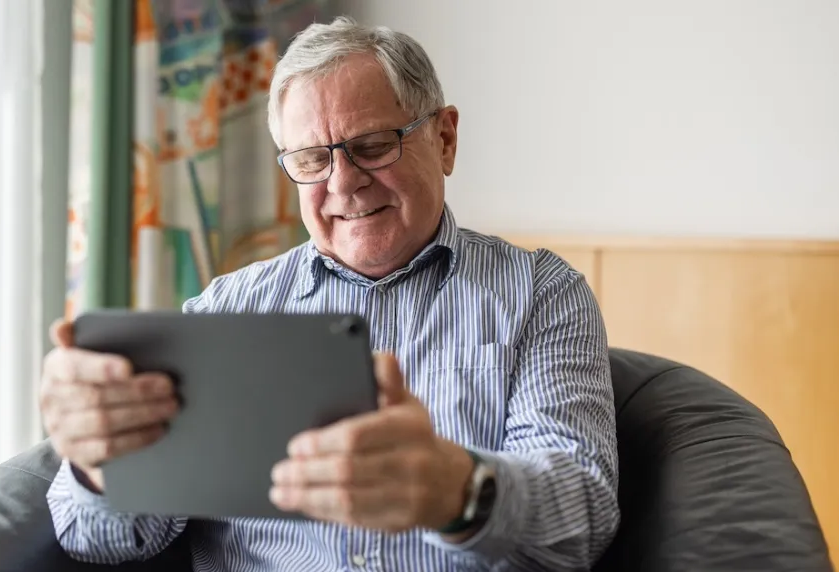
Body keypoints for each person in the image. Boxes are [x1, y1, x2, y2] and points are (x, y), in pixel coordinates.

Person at [39, 16, 619, 571]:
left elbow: (583, 518)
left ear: (444, 139)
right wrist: (97, 465)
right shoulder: (228, 311)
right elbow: (102, 541)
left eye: (371, 145)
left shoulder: (542, 293)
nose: (343, 182)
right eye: (313, 159)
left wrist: (458, 490)